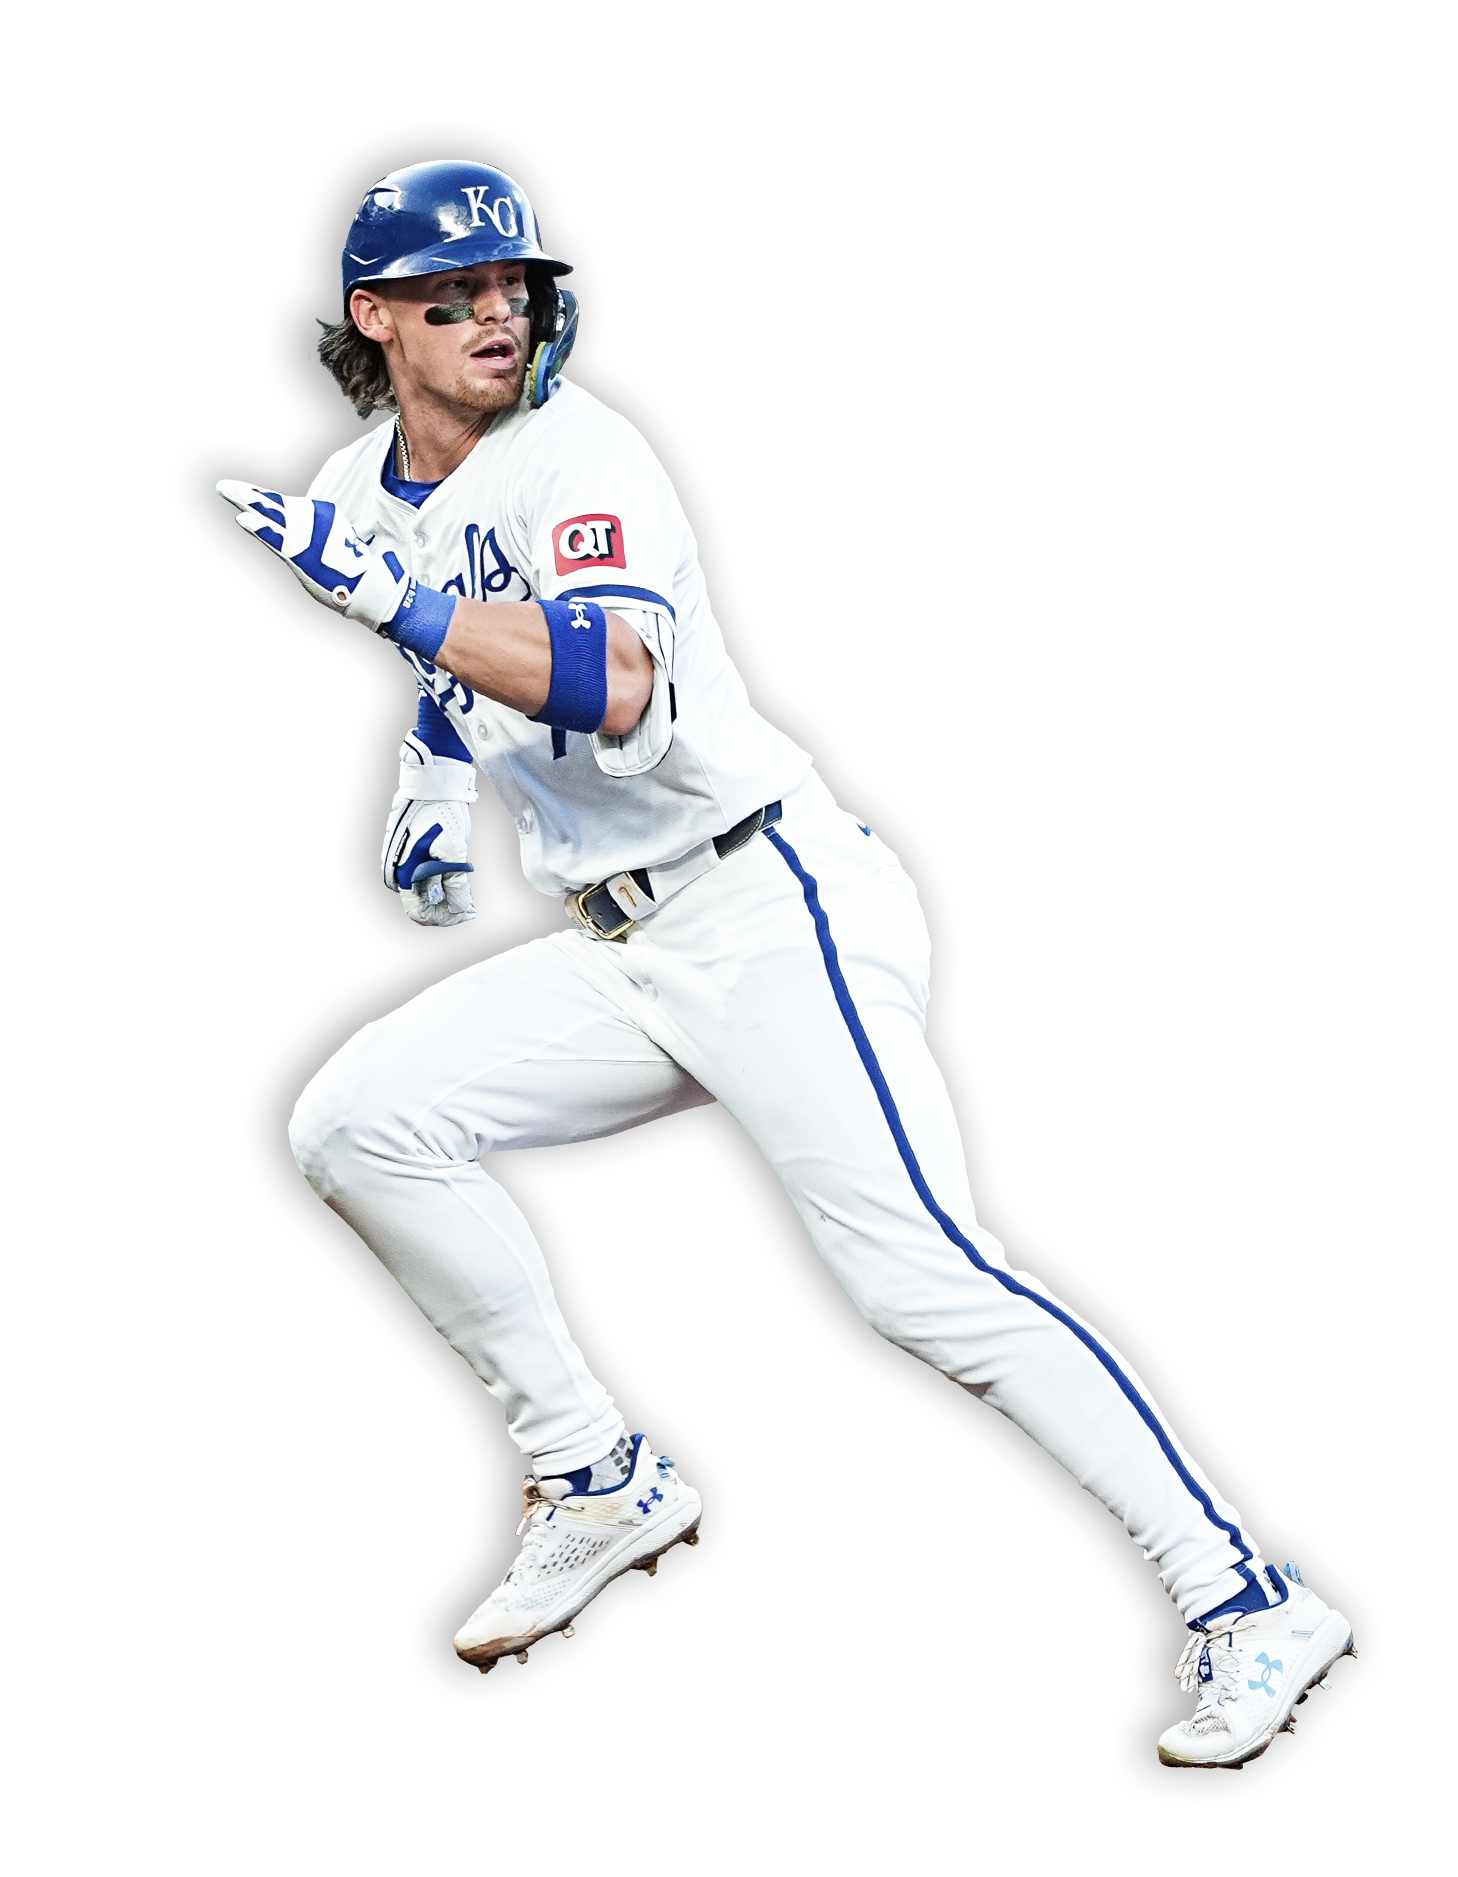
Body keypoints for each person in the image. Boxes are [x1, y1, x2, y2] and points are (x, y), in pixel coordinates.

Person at [216, 158, 1354, 1767]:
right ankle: (596, 1475)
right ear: (374, 317)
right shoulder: (356, 484)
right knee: (357, 1123)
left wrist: (401, 611)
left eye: (513, 287)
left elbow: (613, 682)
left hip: (769, 905)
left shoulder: (584, 449)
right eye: (452, 295)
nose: (495, 315)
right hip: (617, 939)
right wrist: (430, 767)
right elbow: (444, 640)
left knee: (922, 1280)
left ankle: (1246, 1601)